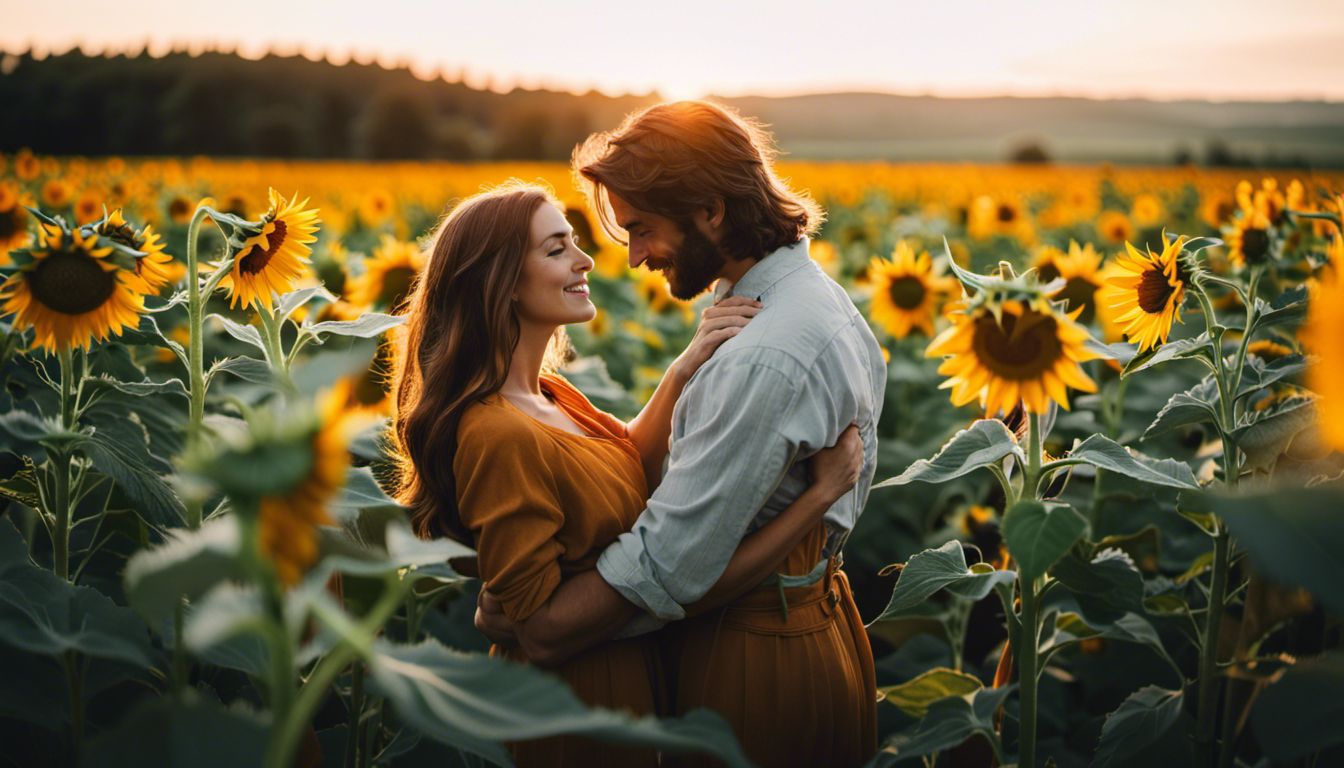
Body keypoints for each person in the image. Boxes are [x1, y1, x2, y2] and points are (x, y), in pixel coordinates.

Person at [389, 179, 865, 767]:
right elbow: (539, 631)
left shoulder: (549, 397)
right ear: (501, 281)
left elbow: (618, 462)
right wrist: (817, 498)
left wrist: (685, 366)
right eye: (556, 248)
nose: (586, 259)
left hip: (627, 688)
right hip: (575, 708)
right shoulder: (496, 431)